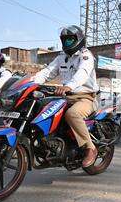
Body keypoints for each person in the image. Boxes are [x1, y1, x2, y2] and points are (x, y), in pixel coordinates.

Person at [34, 25, 99, 168]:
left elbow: (82, 73)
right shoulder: (61, 57)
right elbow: (47, 72)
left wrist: (69, 86)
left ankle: (90, 148)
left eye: (70, 40)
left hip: (85, 97)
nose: (67, 43)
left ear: (79, 39)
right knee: (42, 110)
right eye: (65, 40)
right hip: (65, 97)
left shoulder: (86, 56)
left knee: (72, 114)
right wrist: (31, 82)